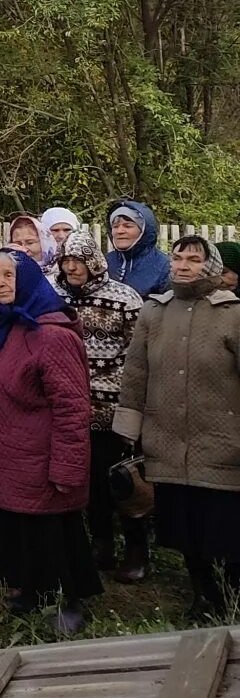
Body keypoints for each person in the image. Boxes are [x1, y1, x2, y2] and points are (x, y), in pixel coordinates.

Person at [0, 250, 97, 635]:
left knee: (54, 531)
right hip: (1, 450)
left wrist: (67, 467)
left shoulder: (53, 335)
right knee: (12, 526)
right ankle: (30, 591)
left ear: (27, 280)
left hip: (40, 456)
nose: (1, 283)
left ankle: (71, 599)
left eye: (9, 275)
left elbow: (73, 407)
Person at [114, 237, 240, 623]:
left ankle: (230, 599)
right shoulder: (155, 312)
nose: (183, 265)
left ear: (212, 266)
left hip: (221, 443)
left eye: (194, 259)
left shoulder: (233, 314)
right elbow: (136, 372)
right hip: (166, 441)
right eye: (178, 257)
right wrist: (129, 428)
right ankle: (202, 597)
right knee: (184, 530)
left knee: (222, 530)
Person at [54, 227, 148, 582]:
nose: (71, 268)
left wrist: (134, 402)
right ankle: (102, 543)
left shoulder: (125, 298)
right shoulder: (56, 297)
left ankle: (137, 549)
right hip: (74, 406)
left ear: (93, 261)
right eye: (66, 261)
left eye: (78, 260)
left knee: (124, 481)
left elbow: (140, 356)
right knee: (89, 481)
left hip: (116, 406)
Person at [104, 199, 171, 296]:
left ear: (144, 230)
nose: (120, 231)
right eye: (115, 226)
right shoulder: (104, 263)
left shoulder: (164, 267)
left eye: (128, 226)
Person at [37, 207, 81, 272]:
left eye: (67, 230)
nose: (61, 236)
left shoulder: (84, 259)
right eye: (55, 230)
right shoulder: (33, 258)